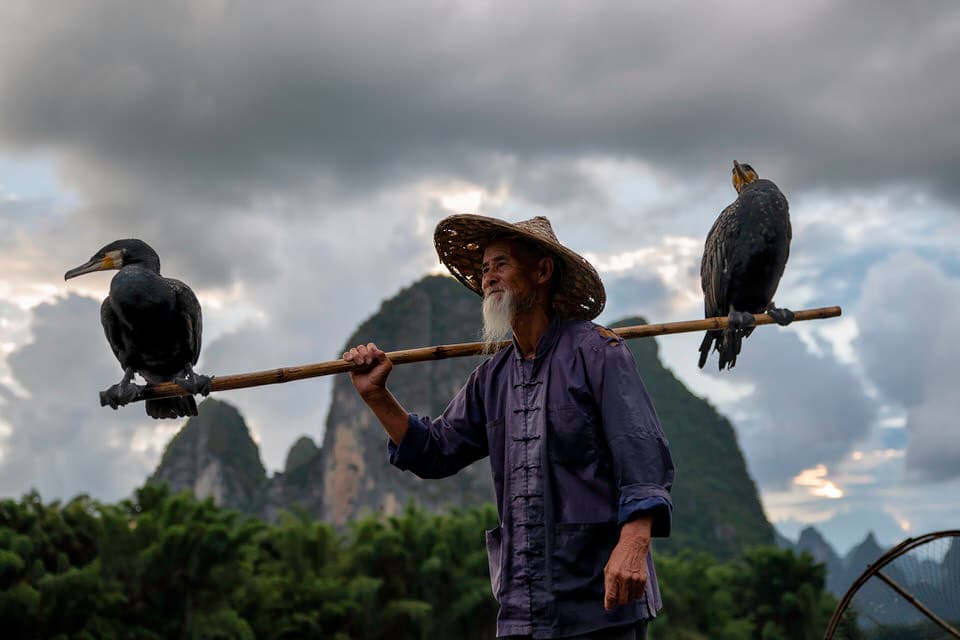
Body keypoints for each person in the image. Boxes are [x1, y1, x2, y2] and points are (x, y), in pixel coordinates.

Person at [344, 214, 674, 639]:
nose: (489, 278)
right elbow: (435, 451)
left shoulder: (599, 353)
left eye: (501, 264)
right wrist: (376, 396)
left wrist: (632, 546)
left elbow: (642, 455)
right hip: (523, 609)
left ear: (542, 271)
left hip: (600, 603)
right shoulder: (492, 379)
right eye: (483, 270)